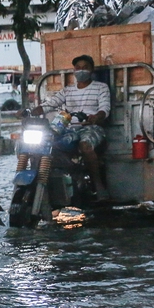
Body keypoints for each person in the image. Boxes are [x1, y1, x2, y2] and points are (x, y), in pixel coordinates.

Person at [32, 54, 111, 201]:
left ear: (91, 70)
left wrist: (96, 117)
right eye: (78, 68)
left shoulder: (101, 87)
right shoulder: (67, 90)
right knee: (48, 144)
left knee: (85, 145)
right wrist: (30, 111)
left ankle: (98, 185)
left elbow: (105, 108)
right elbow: (51, 104)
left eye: (85, 68)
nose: (81, 71)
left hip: (91, 128)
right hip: (69, 129)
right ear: (74, 70)